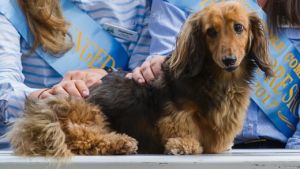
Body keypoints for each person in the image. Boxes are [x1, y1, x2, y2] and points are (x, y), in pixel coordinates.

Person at [131, 0, 300, 149]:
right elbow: (165, 63)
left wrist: (294, 155)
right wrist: (155, 64)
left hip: (281, 149)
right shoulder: (176, 2)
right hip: (201, 146)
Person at [0, 0, 152, 149]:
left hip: (117, 147)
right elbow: (4, 89)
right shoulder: (10, 6)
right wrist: (48, 97)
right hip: (36, 148)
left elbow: (148, 85)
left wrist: (110, 74)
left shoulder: (143, 5)